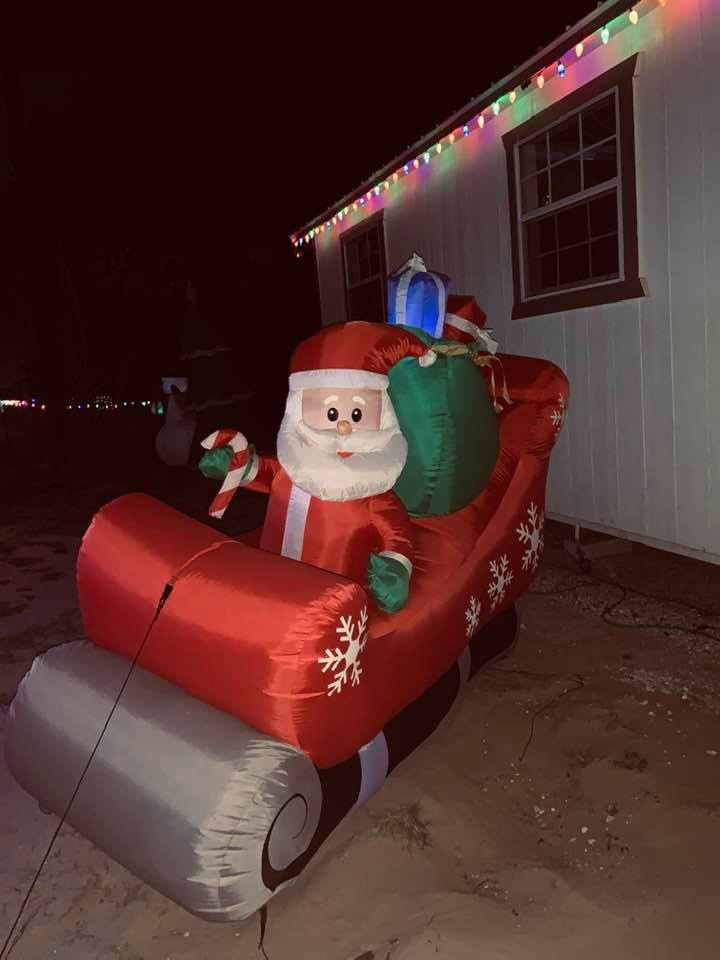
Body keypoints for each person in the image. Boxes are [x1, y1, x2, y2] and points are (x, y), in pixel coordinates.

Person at [199, 321, 438, 613]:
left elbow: (398, 537)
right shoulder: (292, 468)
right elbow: (262, 472)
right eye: (332, 412)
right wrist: (231, 463)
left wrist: (396, 571)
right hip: (269, 584)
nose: (345, 425)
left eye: (358, 412)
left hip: (331, 606)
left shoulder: (376, 496)